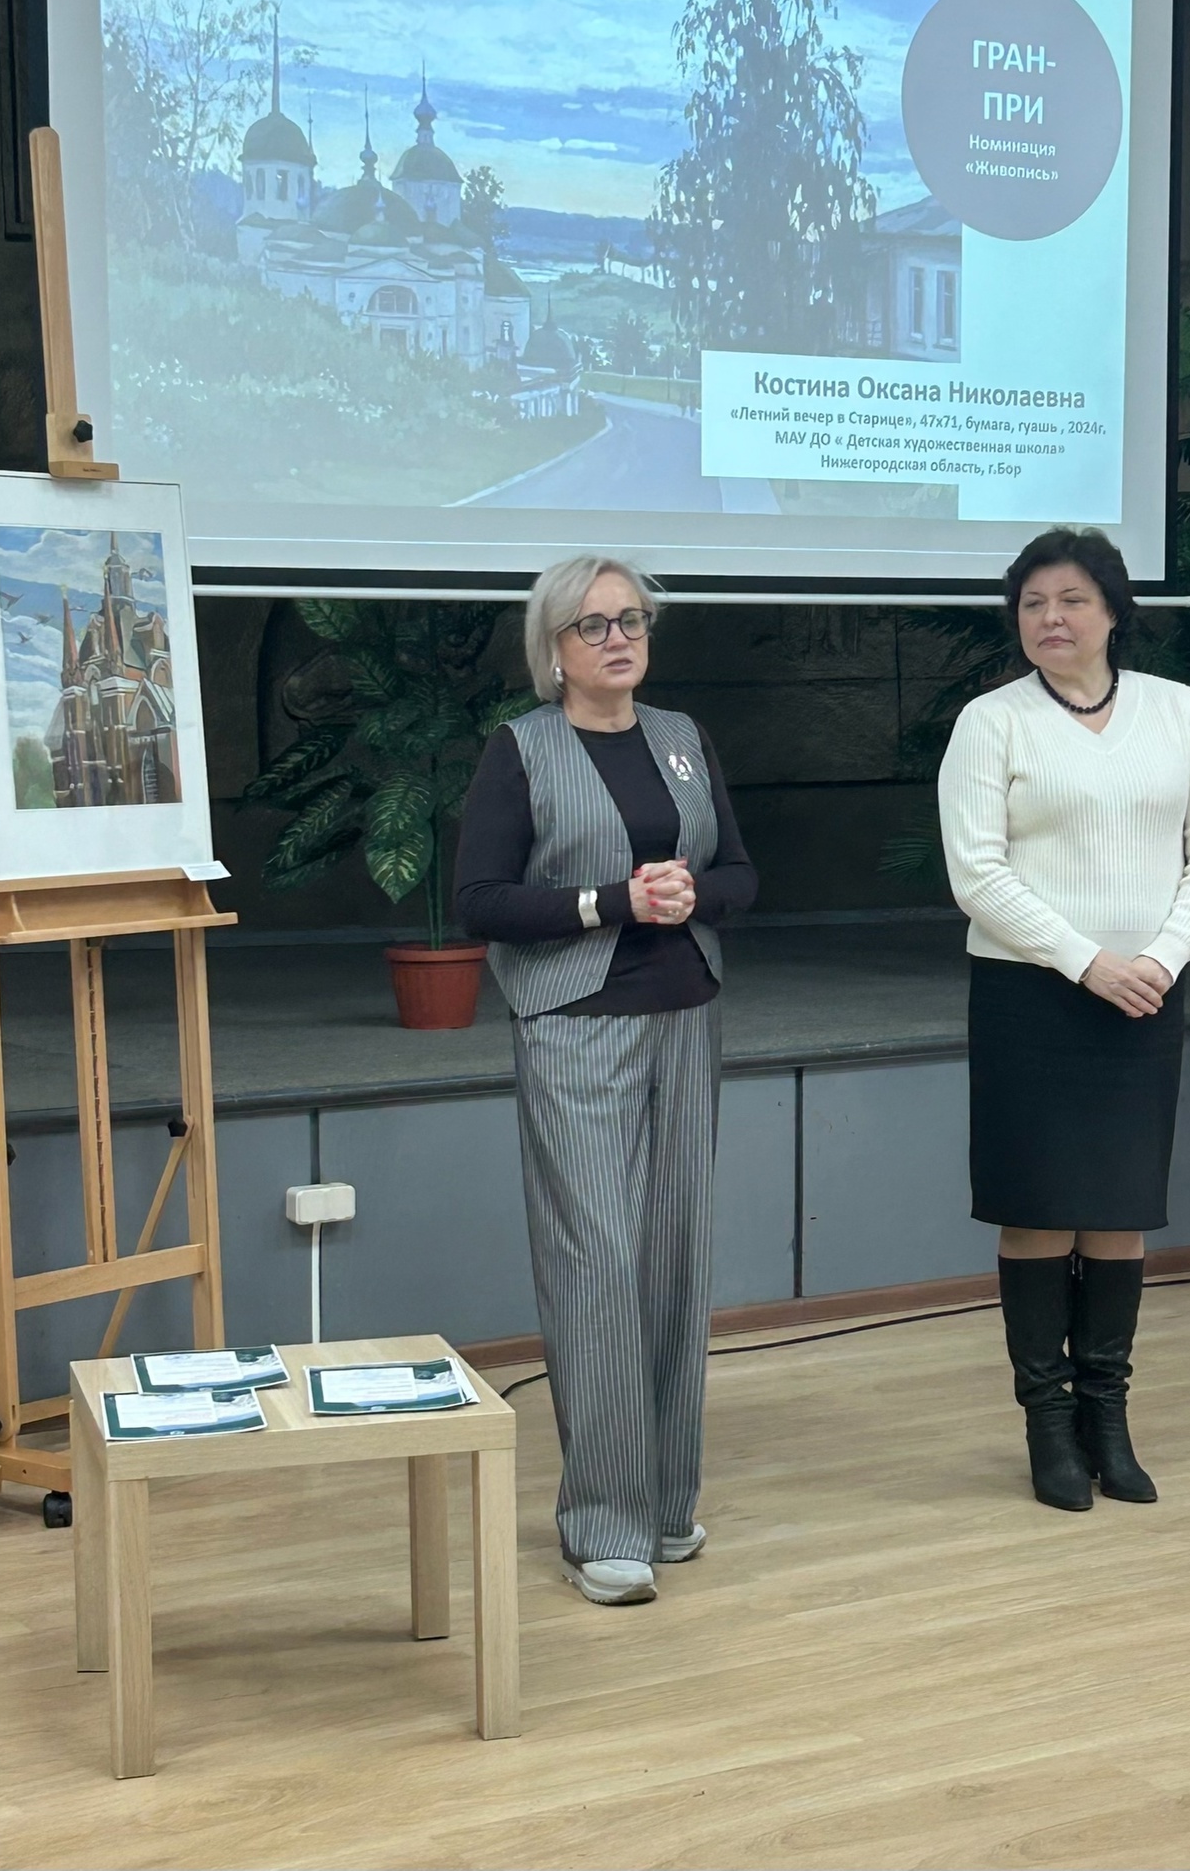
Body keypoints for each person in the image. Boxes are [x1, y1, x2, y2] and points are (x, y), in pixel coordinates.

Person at [455, 555, 757, 1605]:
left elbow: (742, 873)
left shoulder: (681, 738)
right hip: (576, 1028)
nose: (618, 638)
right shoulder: (522, 750)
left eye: (631, 620)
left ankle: (665, 1506)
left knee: (673, 1259)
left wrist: (693, 895)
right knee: (597, 1264)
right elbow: (479, 900)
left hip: (686, 1017)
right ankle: (602, 1526)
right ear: (553, 649)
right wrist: (608, 903)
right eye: (593, 625)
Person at [938, 529, 1190, 1513]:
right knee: (1037, 1209)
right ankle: (1047, 1423)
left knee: (1117, 1211)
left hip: (1145, 990)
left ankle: (1107, 1418)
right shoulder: (991, 722)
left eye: (1071, 600)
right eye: (1032, 604)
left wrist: (1159, 959)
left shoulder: (1177, 711)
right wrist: (1086, 961)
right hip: (1030, 994)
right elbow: (978, 873)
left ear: (1113, 610)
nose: (1051, 618)